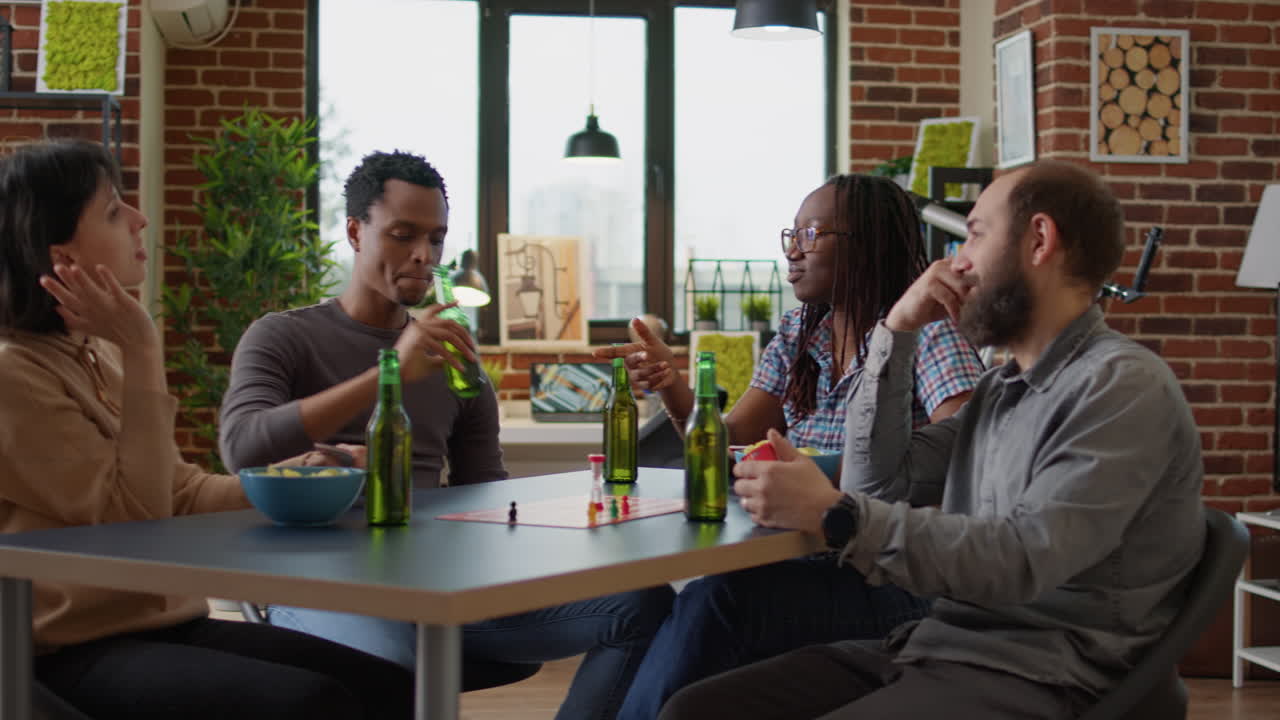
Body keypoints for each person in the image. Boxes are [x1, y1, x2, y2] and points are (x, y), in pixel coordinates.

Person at [660, 160, 1205, 720]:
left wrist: (835, 514)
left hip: (1040, 673)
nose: (955, 262)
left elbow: (1022, 559)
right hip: (942, 646)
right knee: (692, 709)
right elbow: (878, 483)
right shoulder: (1000, 391)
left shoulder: (1118, 384)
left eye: (973, 235)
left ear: (1039, 241)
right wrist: (895, 334)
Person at [219, 150, 674, 720]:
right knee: (386, 669)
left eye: (435, 239)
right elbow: (241, 447)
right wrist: (387, 373)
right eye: (403, 235)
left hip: (438, 580)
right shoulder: (282, 337)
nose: (423, 256)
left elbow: (486, 491)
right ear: (356, 232)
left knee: (642, 604)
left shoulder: (457, 360)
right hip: (321, 580)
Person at [0, 140, 414, 719]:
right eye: (116, 211)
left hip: (165, 623)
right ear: (61, 253)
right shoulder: (14, 374)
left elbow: (177, 492)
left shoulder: (96, 353)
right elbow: (135, 525)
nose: (140, 219)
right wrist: (144, 348)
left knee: (392, 687)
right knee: (312, 704)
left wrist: (293, 479)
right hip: (67, 651)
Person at [604, 174, 986, 719]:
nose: (793, 251)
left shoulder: (928, 332)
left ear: (867, 243)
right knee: (684, 605)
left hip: (892, 575)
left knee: (721, 600)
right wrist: (672, 383)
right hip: (805, 560)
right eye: (793, 235)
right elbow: (727, 442)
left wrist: (827, 473)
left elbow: (962, 452)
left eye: (811, 234)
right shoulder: (798, 334)